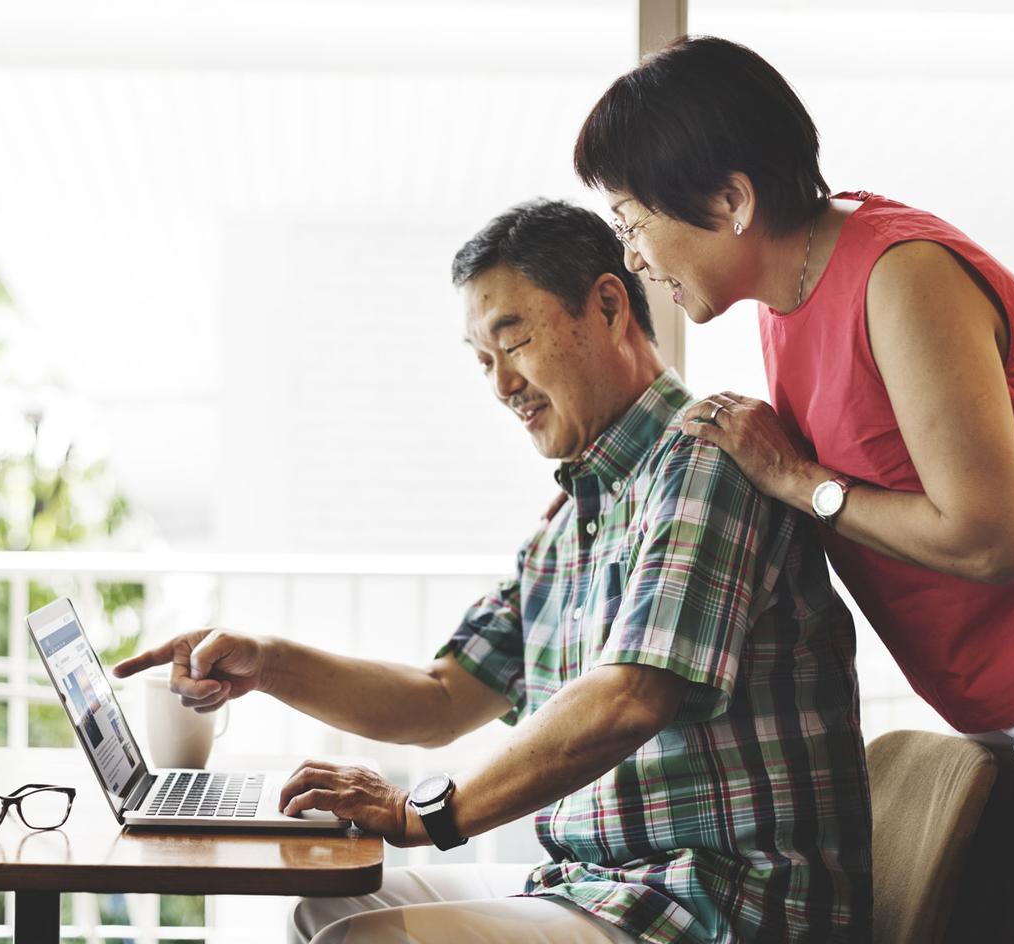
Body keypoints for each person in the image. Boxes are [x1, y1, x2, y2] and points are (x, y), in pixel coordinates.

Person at [114, 199, 872, 944]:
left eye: (513, 343)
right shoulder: (573, 519)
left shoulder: (706, 455)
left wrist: (424, 814)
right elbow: (440, 699)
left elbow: (632, 697)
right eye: (483, 361)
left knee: (363, 941)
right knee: (327, 908)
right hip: (602, 892)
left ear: (609, 307)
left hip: (719, 907)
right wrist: (268, 661)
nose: (502, 385)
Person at [573, 34, 1014, 943]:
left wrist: (804, 483)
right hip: (997, 713)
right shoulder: (784, 300)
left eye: (635, 221)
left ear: (731, 200)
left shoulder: (899, 275)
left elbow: (994, 543)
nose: (634, 258)